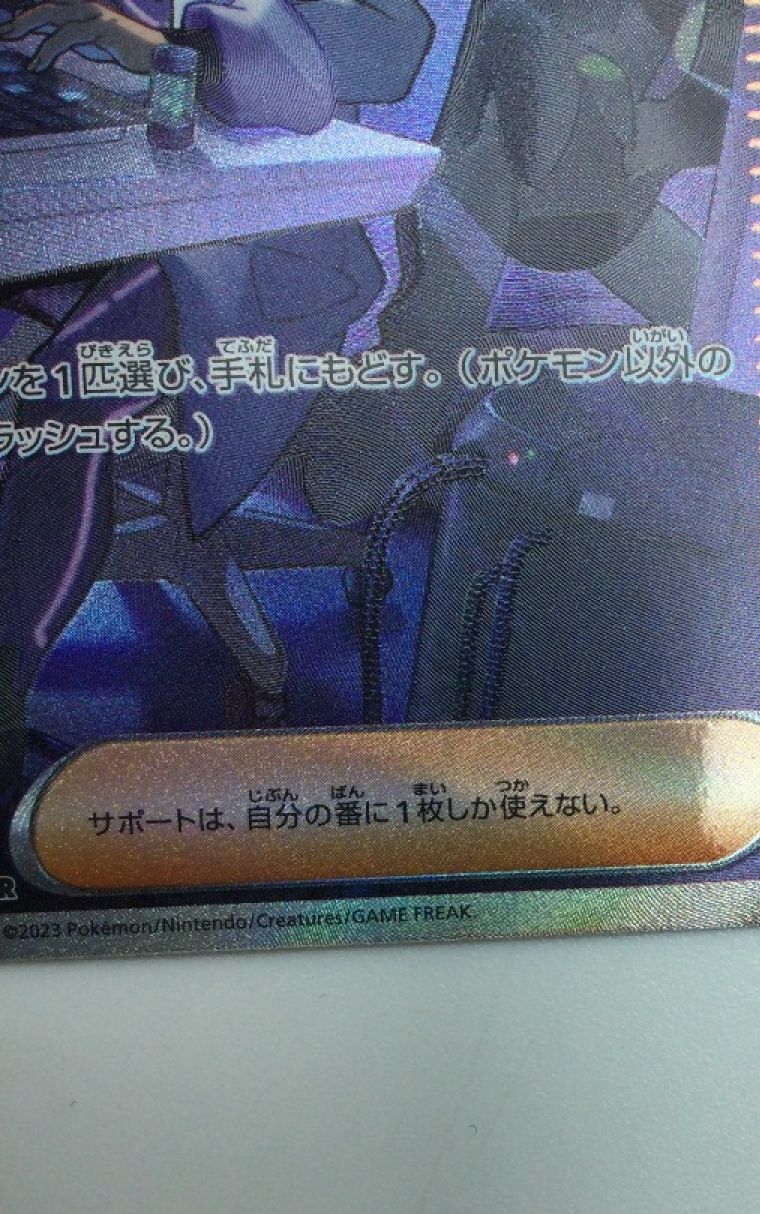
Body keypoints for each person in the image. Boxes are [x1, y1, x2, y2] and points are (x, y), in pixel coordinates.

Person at [0, 0, 435, 796]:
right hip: (108, 183)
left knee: (68, 394)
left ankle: (6, 679)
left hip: (257, 240)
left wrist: (165, 48)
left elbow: (346, 71)